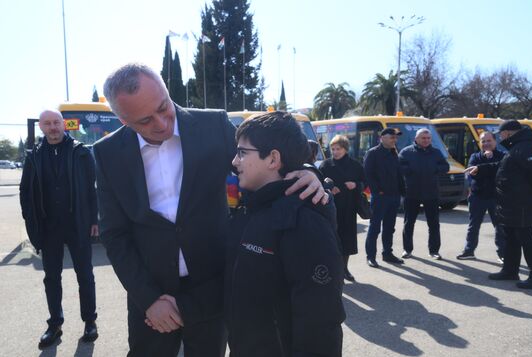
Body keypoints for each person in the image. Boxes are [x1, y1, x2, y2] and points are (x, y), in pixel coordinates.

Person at [94, 63, 327, 357]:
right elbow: (115, 234)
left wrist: (307, 171)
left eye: (163, 107)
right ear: (122, 120)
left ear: (166, 90)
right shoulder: (107, 154)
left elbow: (265, 154)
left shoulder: (212, 126)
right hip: (150, 292)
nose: (162, 124)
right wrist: (149, 299)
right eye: (144, 121)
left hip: (212, 285)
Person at [225, 111, 345, 357]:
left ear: (273, 159)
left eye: (242, 153)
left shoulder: (304, 221)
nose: (235, 162)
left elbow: (321, 323)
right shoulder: (250, 208)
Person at [19, 110, 99, 349]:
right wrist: (29, 217)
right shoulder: (33, 156)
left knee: (85, 275)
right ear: (41, 127)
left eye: (56, 122)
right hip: (48, 227)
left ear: (63, 124)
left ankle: (90, 321)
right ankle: (55, 324)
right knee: (51, 278)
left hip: (78, 224)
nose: (53, 127)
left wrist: (94, 219)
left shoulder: (81, 152)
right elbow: (25, 191)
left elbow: (92, 188)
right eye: (48, 124)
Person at [465, 120, 532, 289]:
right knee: (510, 236)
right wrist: (481, 169)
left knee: (527, 236)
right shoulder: (517, 147)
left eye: (500, 133)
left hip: (522, 202)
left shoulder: (527, 147)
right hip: (510, 202)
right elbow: (503, 166)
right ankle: (510, 270)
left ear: (509, 133)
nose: (499, 137)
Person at [320, 135, 366, 282]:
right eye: (332, 149)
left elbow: (365, 182)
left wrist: (356, 185)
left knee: (347, 240)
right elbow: (318, 182)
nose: (335, 152)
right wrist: (329, 189)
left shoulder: (355, 165)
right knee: (330, 240)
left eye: (338, 149)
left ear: (345, 149)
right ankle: (331, 270)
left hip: (349, 207)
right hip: (329, 208)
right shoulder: (326, 165)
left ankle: (344, 269)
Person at [399, 128, 450, 260]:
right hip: (411, 193)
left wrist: (434, 169)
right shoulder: (406, 152)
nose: (426, 140)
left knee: (433, 224)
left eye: (428, 138)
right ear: (416, 139)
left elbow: (445, 167)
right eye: (423, 138)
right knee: (409, 223)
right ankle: (407, 249)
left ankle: (434, 251)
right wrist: (410, 171)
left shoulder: (436, 152)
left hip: (431, 193)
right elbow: (399, 168)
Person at [457, 131, 506, 262]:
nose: (486, 143)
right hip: (477, 196)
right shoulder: (474, 157)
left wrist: (488, 163)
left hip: (496, 197)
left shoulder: (503, 156)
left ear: (495, 142)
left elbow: (500, 172)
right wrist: (485, 162)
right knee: (473, 225)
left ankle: (503, 253)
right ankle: (469, 251)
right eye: (483, 141)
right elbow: (473, 174)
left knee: (500, 226)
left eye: (489, 140)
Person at [363, 128, 406, 268]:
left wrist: (402, 192)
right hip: (380, 197)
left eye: (395, 138)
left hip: (394, 196)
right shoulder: (373, 153)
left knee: (389, 227)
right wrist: (378, 191)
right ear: (382, 138)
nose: (394, 140)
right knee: (375, 227)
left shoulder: (394, 153)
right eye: (391, 137)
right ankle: (371, 256)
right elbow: (368, 174)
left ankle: (387, 253)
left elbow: (399, 175)